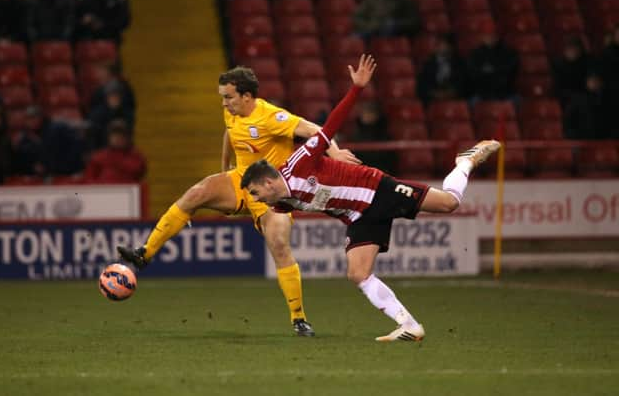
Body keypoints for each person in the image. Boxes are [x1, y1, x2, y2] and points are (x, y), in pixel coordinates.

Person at [241, 55, 500, 342]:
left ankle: (465, 161)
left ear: (266, 181)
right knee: (357, 273)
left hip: (378, 191)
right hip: (358, 216)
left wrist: (357, 89)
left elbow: (329, 126)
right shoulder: (279, 202)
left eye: (255, 192)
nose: (256, 199)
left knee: (449, 204)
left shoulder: (299, 162)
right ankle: (409, 326)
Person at [117, 65, 362, 337]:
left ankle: (299, 318)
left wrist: (336, 153)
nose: (224, 103)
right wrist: (223, 170)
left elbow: (317, 129)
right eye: (222, 97)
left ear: (247, 96)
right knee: (196, 193)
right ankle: (144, 254)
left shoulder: (272, 117)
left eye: (228, 97)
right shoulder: (231, 112)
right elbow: (230, 133)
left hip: (271, 192)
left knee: (279, 243)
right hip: (240, 180)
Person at [467, 21, 519, 102]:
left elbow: (507, 76)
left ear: (498, 36)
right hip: (482, 94)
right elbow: (474, 76)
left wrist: (488, 72)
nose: (489, 38)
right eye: (487, 35)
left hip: (505, 94)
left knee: (517, 103)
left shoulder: (509, 53)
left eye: (492, 35)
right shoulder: (475, 54)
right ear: (482, 36)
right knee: (471, 104)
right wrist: (494, 71)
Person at [417, 33, 468, 106]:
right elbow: (422, 85)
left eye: (444, 44)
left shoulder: (460, 63)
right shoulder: (428, 64)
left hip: (455, 100)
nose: (441, 47)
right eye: (439, 44)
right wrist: (434, 93)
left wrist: (451, 93)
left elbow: (463, 83)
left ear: (451, 47)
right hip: (432, 101)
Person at [352, 0, 421, 39]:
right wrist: (369, 25)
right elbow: (357, 18)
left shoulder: (404, 0)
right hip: (372, 31)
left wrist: (397, 24)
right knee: (355, 38)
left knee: (389, 26)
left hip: (394, 32)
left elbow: (414, 21)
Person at [350, 101, 397, 175]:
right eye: (365, 113)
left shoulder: (384, 134)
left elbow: (390, 159)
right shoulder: (355, 135)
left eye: (370, 113)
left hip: (381, 173)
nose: (367, 116)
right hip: (361, 173)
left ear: (376, 115)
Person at [552, 36, 590, 107]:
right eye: (570, 49)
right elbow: (558, 88)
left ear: (580, 50)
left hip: (584, 98)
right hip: (567, 99)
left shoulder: (588, 62)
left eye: (575, 48)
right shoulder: (559, 65)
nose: (573, 51)